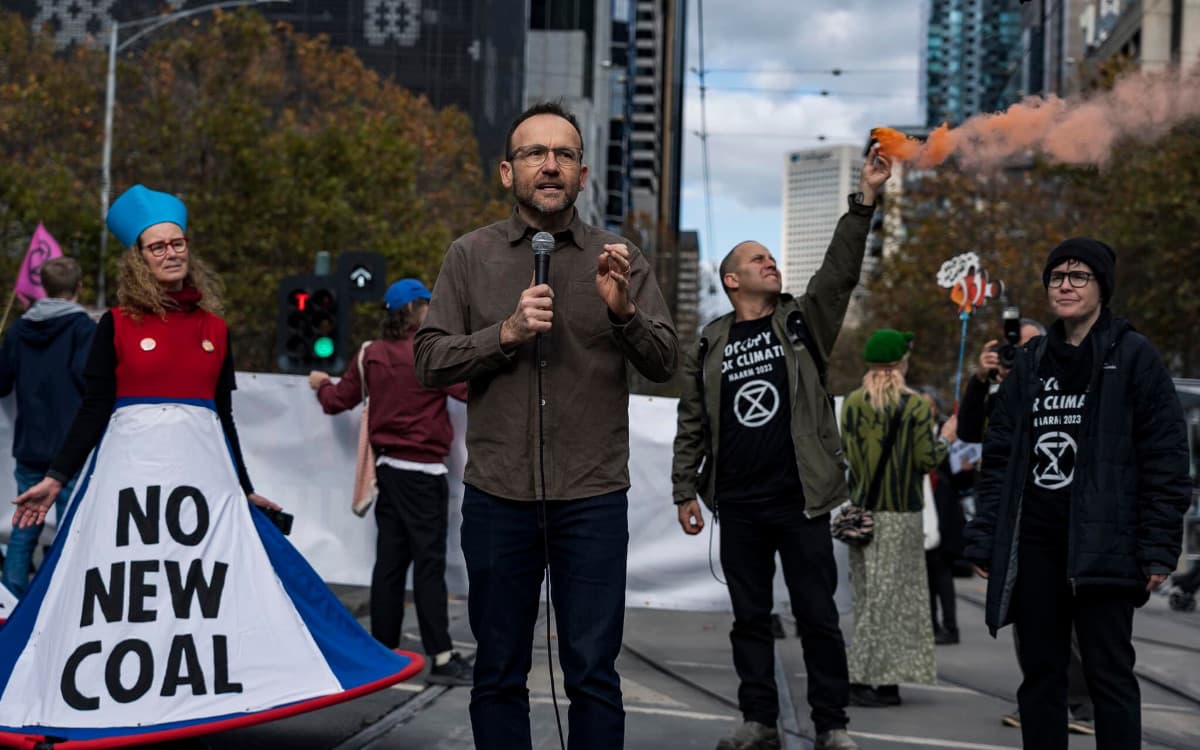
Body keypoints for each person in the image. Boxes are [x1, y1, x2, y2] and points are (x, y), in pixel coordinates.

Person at [3, 185, 418, 741]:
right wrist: (56, 477)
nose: (172, 253)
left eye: (178, 244)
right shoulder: (116, 325)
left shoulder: (215, 331)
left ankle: (194, 691)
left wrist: (241, 488)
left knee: (198, 586)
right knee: (126, 588)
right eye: (158, 247)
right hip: (131, 490)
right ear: (140, 259)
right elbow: (95, 407)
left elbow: (223, 416)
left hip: (197, 494)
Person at [413, 101, 678, 750]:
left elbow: (669, 361)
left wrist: (623, 316)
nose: (550, 165)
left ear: (584, 175)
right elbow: (427, 361)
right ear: (508, 172)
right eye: (535, 153)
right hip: (498, 496)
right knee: (498, 673)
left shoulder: (621, 258)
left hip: (590, 497)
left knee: (592, 673)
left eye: (563, 154)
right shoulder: (470, 257)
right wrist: (502, 334)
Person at [671, 144, 892, 750]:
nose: (771, 264)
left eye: (772, 257)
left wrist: (864, 200)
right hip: (738, 502)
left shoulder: (801, 321)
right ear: (731, 279)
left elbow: (839, 272)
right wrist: (683, 488)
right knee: (750, 620)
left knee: (818, 616)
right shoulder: (710, 341)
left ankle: (832, 724)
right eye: (758, 259)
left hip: (802, 500)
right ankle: (759, 721)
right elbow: (693, 419)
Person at [963, 238, 1190, 750]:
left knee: (1109, 675)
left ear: (1101, 287)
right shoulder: (1032, 360)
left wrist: (1158, 545)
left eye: (1077, 275)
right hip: (1038, 544)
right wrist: (984, 537)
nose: (1064, 285)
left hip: (1106, 544)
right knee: (1041, 675)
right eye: (1056, 277)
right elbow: (999, 455)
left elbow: (1167, 459)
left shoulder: (1134, 356)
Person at [308, 277, 470, 686]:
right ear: (415, 309)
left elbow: (337, 402)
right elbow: (468, 391)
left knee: (390, 565)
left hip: (389, 473)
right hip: (426, 475)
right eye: (427, 305)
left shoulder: (370, 354)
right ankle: (442, 655)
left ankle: (383, 653)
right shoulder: (430, 353)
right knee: (429, 567)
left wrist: (320, 384)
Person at [957, 318, 1096, 734]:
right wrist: (981, 380)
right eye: (1014, 351)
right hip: (1015, 516)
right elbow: (968, 432)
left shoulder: (1065, 377)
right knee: (1027, 617)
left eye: (1032, 347)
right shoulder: (1006, 384)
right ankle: (1043, 697)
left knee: (1071, 620)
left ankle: (1079, 700)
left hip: (1064, 512)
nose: (1022, 356)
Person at [840, 329, 950, 709]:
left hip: (863, 514)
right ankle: (862, 678)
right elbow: (927, 460)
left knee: (872, 598)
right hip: (901, 514)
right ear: (900, 361)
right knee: (896, 601)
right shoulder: (915, 406)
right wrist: (946, 438)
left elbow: (849, 459)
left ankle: (883, 680)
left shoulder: (852, 404)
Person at [0, 257, 95, 596]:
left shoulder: (18, 330)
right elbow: (91, 382)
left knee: (24, 529)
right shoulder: (84, 329)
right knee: (72, 527)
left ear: (44, 287)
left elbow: (2, 383)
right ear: (79, 287)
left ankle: (10, 599)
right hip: (71, 451)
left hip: (30, 447)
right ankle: (60, 596)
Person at [916, 387, 966, 646]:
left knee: (942, 573)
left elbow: (963, 475)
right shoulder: (914, 433)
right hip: (923, 511)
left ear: (936, 408)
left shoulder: (949, 433)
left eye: (929, 406)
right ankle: (931, 624)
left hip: (943, 513)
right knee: (924, 575)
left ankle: (950, 626)